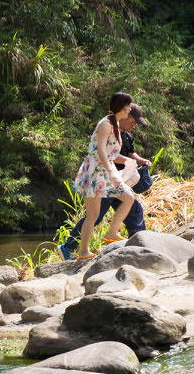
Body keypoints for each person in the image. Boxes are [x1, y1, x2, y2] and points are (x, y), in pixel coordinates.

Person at [61, 102, 152, 258]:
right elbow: (102, 153)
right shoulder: (108, 127)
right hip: (102, 178)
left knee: (133, 208)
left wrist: (139, 161)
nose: (133, 126)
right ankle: (70, 247)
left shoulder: (126, 134)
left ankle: (135, 244)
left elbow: (130, 153)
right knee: (94, 216)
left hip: (114, 179)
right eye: (132, 122)